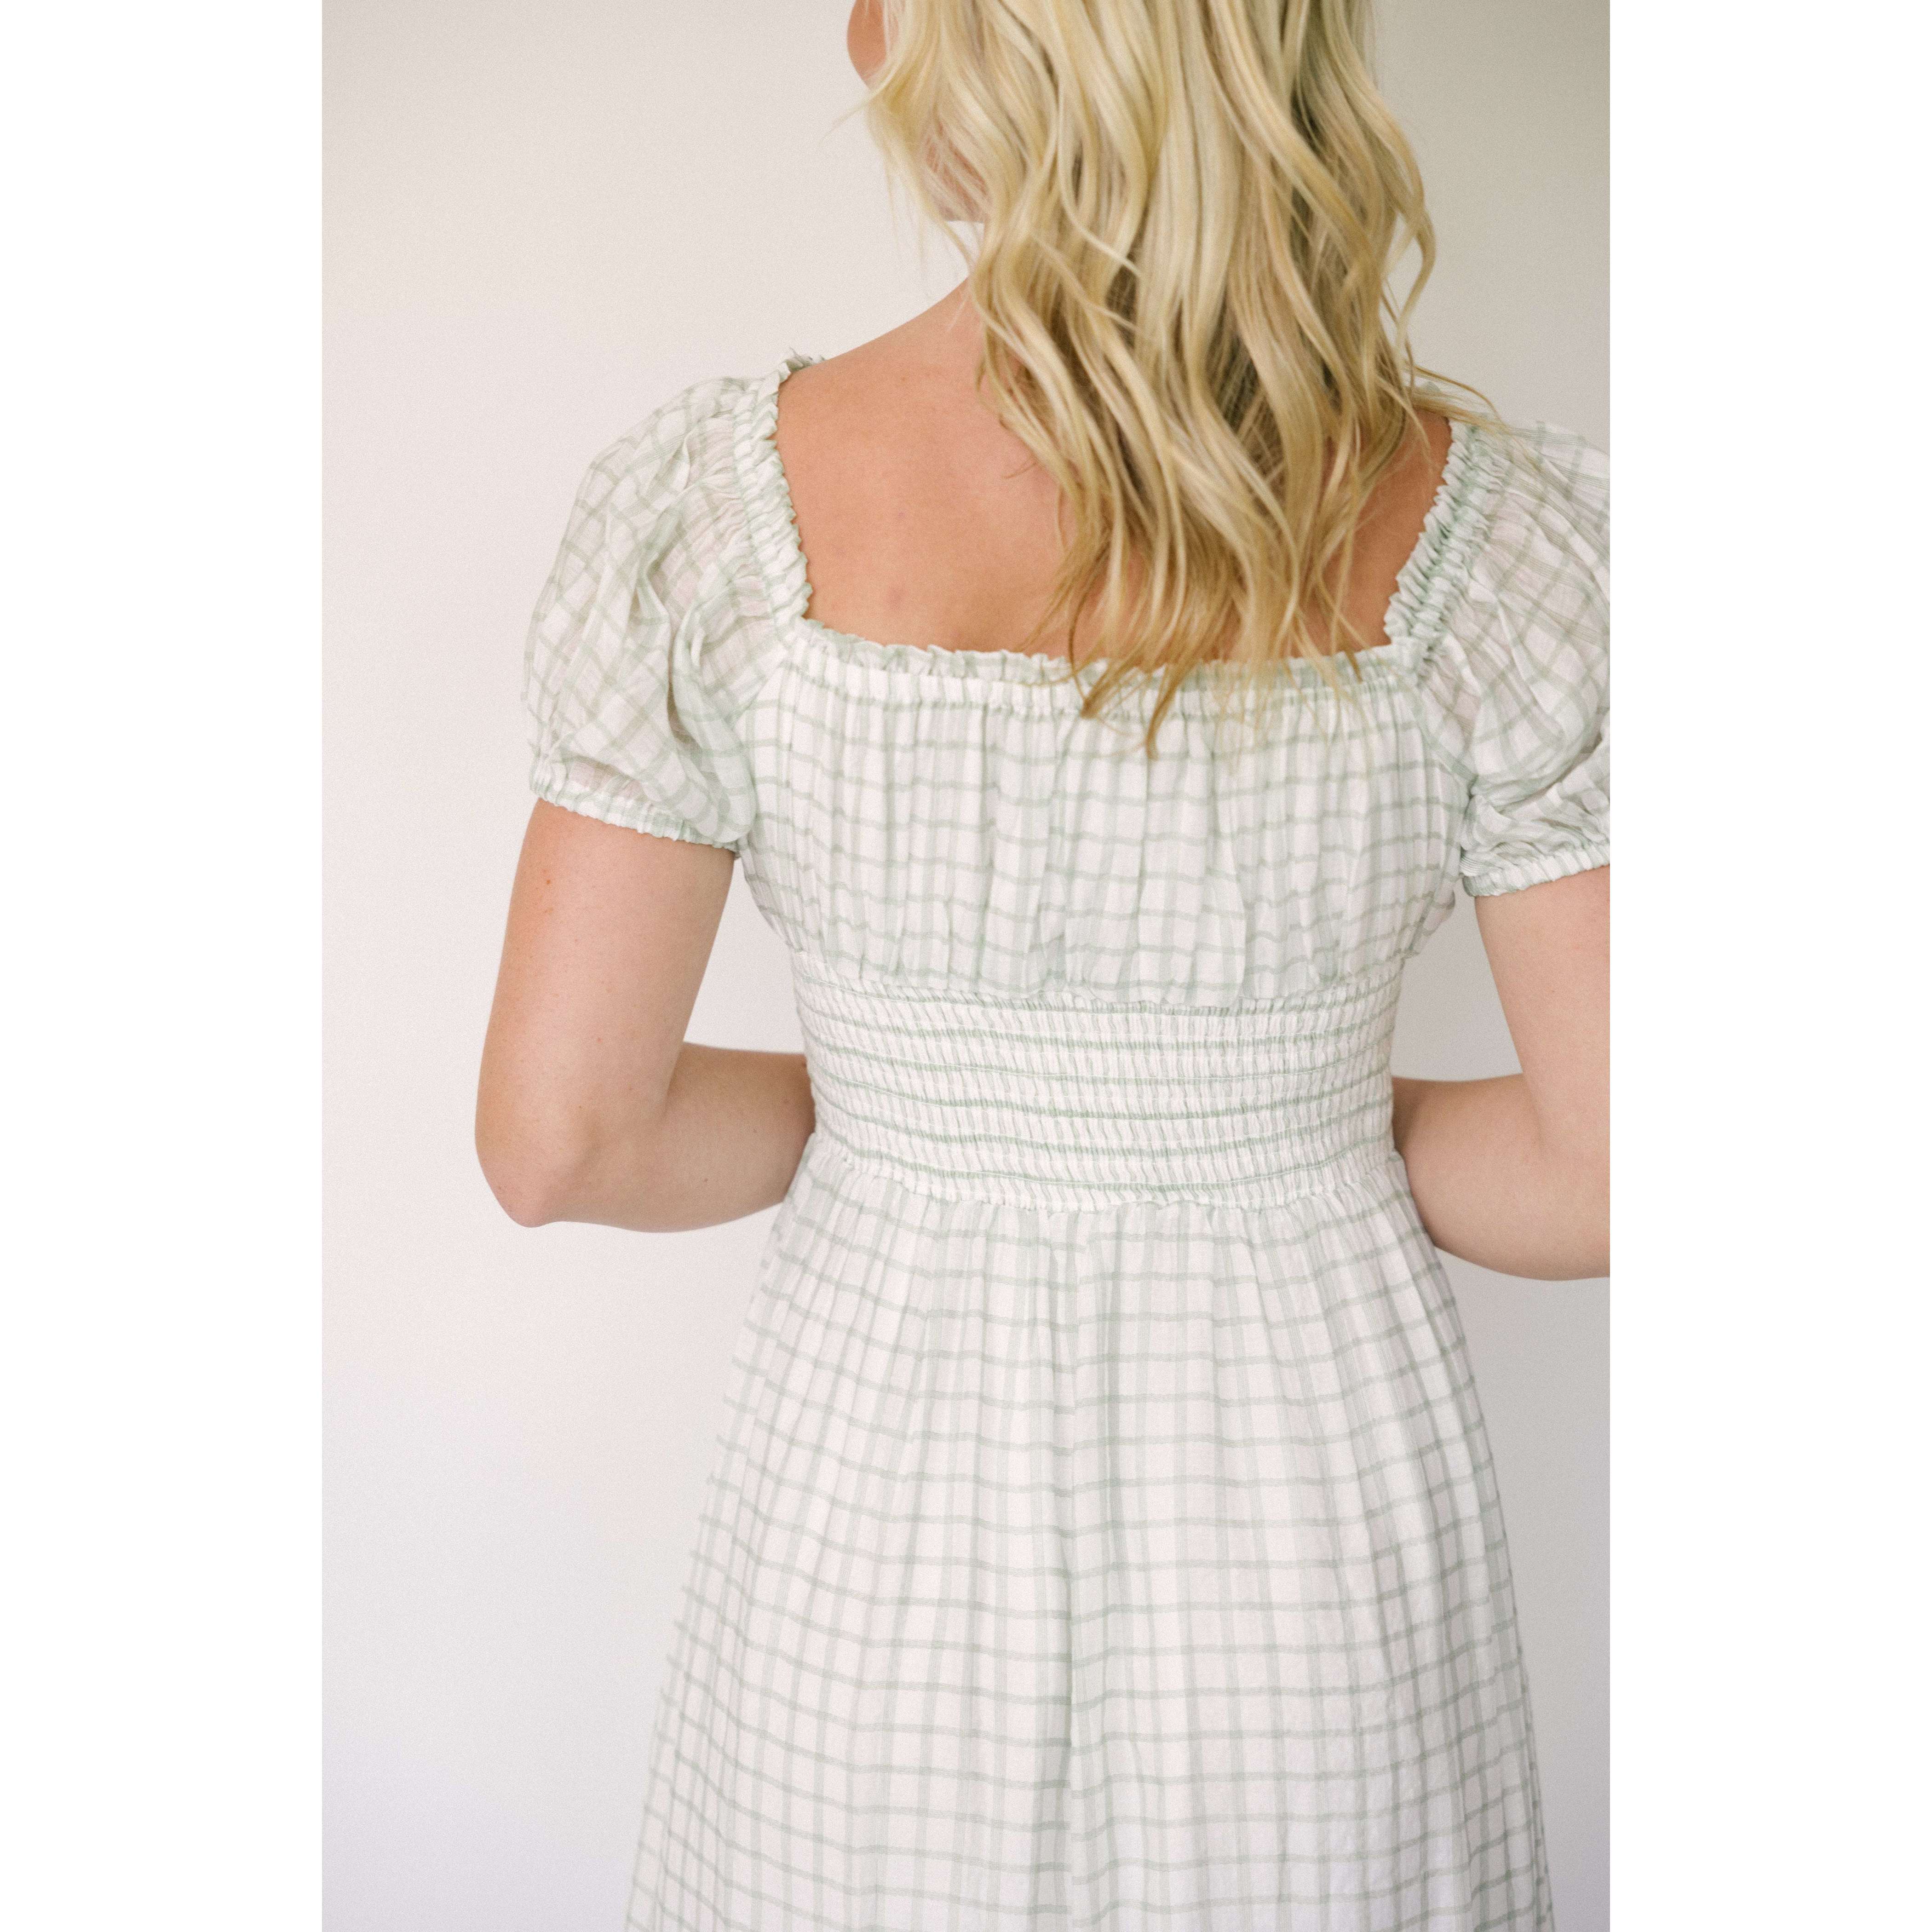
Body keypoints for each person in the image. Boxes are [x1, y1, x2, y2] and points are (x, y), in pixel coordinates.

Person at [477, 1, 1607, 1925]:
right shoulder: (1501, 548)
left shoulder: (722, 516)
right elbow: (1617, 1167)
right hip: (1313, 1527)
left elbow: (562, 1138)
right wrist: (1270, 1111)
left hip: (874, 1520)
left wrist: (933, 1095)